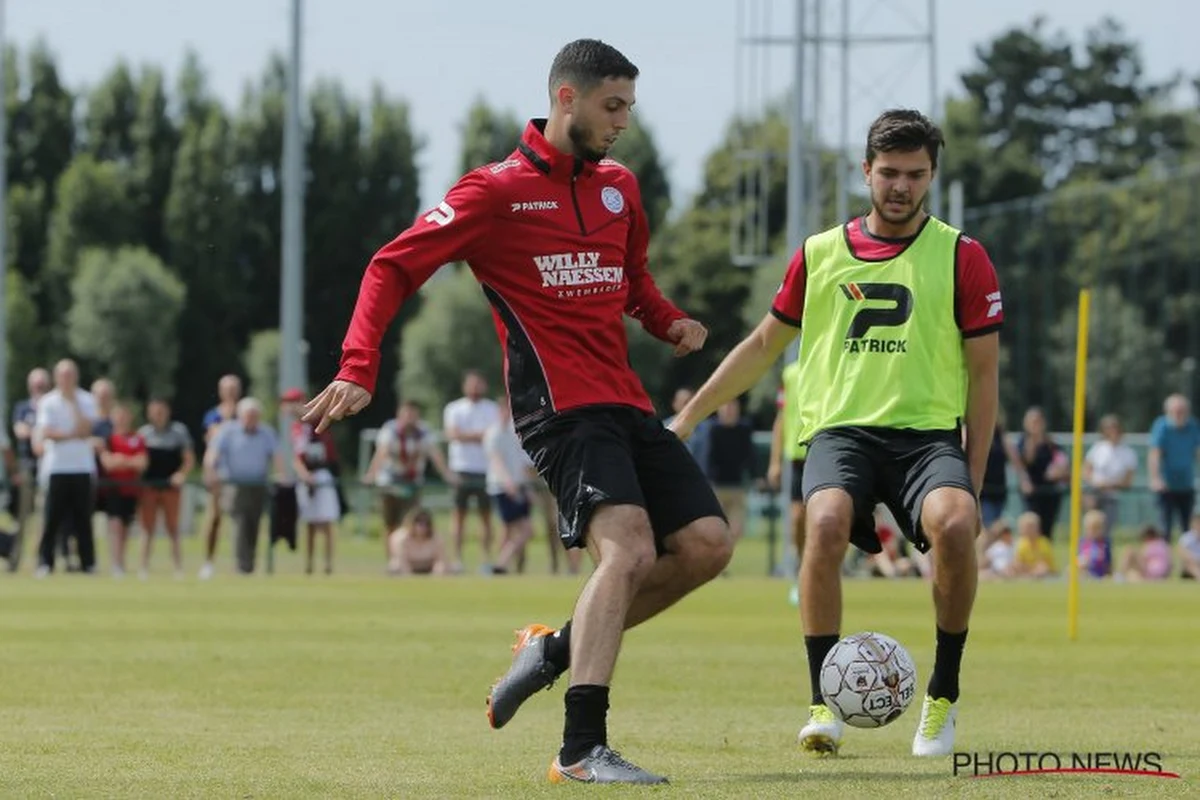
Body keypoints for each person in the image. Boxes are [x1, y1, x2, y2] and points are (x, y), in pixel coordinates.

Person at [303, 38, 732, 784]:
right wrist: (358, 367)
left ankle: (553, 651)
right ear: (566, 98)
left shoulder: (620, 188)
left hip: (625, 402)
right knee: (627, 550)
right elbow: (392, 264)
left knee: (707, 545)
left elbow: (631, 281)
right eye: (612, 106)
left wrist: (668, 322)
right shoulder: (493, 192)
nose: (622, 121)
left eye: (628, 106)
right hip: (558, 410)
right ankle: (580, 748)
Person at [668, 109, 1002, 757]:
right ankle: (825, 702)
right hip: (841, 434)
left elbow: (984, 377)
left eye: (916, 174)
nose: (901, 186)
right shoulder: (820, 254)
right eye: (889, 173)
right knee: (820, 526)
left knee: (956, 524)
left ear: (932, 175)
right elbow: (764, 346)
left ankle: (942, 696)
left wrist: (975, 478)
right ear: (865, 172)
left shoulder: (963, 256)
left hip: (928, 438)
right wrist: (689, 416)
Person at [33, 360, 101, 576]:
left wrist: (73, 405)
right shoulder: (48, 401)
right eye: (63, 376)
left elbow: (86, 429)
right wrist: (71, 435)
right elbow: (47, 432)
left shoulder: (86, 400)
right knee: (52, 518)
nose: (66, 380)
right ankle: (46, 562)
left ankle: (88, 563)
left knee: (83, 518)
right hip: (57, 467)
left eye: (70, 375)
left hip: (81, 467)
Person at [137, 398, 195, 578]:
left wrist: (181, 475)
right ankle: (143, 568)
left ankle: (178, 568)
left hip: (171, 487)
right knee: (147, 528)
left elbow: (188, 459)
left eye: (161, 411)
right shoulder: (144, 434)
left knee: (173, 528)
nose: (158, 414)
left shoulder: (179, 432)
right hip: (149, 487)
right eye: (155, 411)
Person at [1148, 394, 1200, 541]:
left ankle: (1187, 563)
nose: (1179, 414)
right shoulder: (1162, 426)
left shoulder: (1192, 426)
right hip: (1166, 486)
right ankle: (1164, 562)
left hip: (1186, 484)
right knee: (1165, 528)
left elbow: (1198, 452)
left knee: (1188, 529)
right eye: (1176, 411)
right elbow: (1155, 454)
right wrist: (1156, 478)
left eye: (1182, 411)